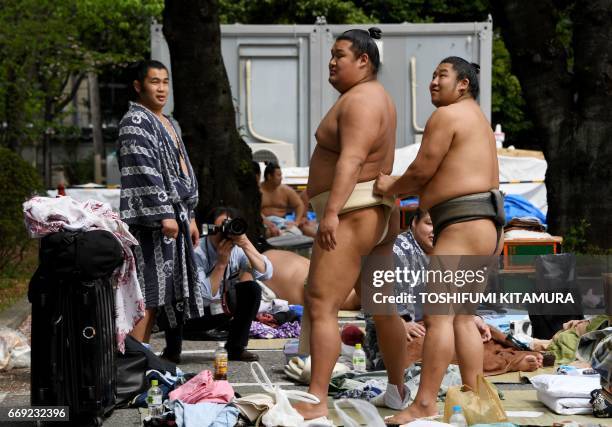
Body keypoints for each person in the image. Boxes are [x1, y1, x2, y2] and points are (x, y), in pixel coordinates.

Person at [375, 56, 505, 423]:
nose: (433, 81)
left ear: (462, 84)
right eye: (432, 75)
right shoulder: (476, 118)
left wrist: (390, 186)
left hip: (464, 224)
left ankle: (425, 403)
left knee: (438, 318)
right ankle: (478, 401)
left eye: (441, 75)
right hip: (487, 225)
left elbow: (420, 171)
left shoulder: (447, 115)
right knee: (464, 317)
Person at [294, 27, 408, 419]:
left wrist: (329, 213)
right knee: (382, 308)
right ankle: (396, 390)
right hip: (375, 214)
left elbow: (352, 160)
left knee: (322, 302)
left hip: (353, 211)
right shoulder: (375, 98)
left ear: (364, 60)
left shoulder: (362, 99)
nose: (331, 61)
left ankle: (316, 400)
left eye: (339, 54)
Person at [365, 211, 543, 376]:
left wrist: (472, 317)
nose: (435, 231)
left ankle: (510, 351)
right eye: (429, 223)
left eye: (442, 226)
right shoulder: (395, 249)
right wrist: (399, 322)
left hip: (433, 324)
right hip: (400, 334)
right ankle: (507, 360)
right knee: (436, 344)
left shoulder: (447, 251)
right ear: (414, 223)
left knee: (477, 331)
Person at [118, 60, 202, 344]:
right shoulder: (136, 121)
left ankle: (142, 358)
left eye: (165, 82)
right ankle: (133, 361)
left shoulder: (167, 121)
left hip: (175, 215)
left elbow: (182, 169)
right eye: (155, 82)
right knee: (148, 292)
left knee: (163, 293)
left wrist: (188, 215)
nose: (162, 88)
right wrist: (164, 213)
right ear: (138, 86)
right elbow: (142, 169)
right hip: (152, 223)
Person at [160, 207, 272, 363]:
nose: (226, 233)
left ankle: (236, 348)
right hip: (191, 316)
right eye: (221, 227)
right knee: (175, 294)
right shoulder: (196, 251)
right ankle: (172, 351)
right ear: (210, 228)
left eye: (231, 226)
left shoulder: (238, 249)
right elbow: (202, 297)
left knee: (252, 289)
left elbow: (266, 274)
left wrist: (245, 243)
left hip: (221, 311)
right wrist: (221, 264)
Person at [260, 162, 317, 237]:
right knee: (268, 233)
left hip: (283, 222)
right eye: (279, 175)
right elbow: (255, 211)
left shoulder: (285, 190)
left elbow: (299, 205)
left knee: (297, 233)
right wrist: (268, 224)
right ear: (269, 176)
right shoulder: (258, 191)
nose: (281, 178)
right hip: (263, 222)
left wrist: (296, 222)